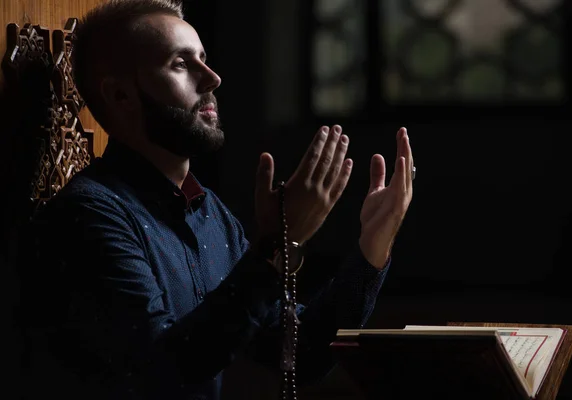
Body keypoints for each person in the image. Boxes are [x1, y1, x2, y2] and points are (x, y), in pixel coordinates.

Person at [17, 0, 414, 399]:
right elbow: (163, 374)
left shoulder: (211, 215)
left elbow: (301, 355)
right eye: (180, 63)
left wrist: (372, 248)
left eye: (203, 59)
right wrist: (278, 245)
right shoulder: (89, 216)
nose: (212, 78)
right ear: (121, 95)